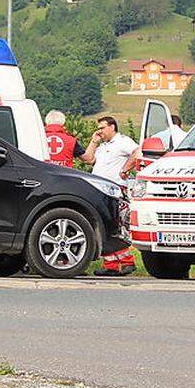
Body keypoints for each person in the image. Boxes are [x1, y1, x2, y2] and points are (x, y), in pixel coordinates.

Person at [80, 116, 140, 276]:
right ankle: (115, 263)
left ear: (112, 127)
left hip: (114, 191)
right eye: (98, 128)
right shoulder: (103, 146)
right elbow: (89, 159)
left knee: (115, 227)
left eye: (102, 128)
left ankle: (123, 262)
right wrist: (94, 142)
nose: (99, 131)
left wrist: (126, 169)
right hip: (99, 191)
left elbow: (138, 151)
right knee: (104, 227)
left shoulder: (122, 141)